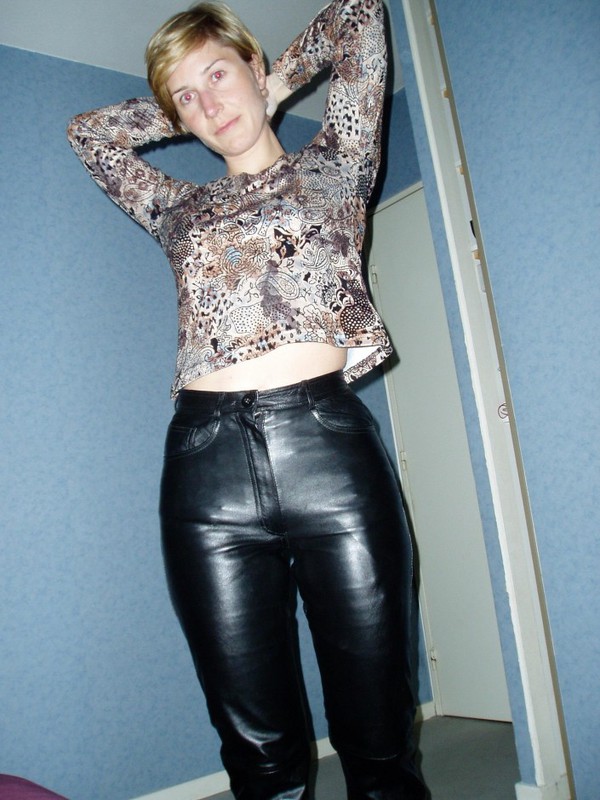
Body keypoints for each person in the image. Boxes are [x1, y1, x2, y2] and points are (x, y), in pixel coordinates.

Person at [67, 1, 429, 797]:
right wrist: (182, 105)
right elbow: (88, 134)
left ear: (254, 68)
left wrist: (271, 81)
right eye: (185, 97)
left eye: (217, 75)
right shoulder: (178, 209)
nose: (208, 104)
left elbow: (360, 14)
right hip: (207, 473)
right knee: (258, 753)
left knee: (379, 731)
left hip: (328, 453)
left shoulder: (338, 162)